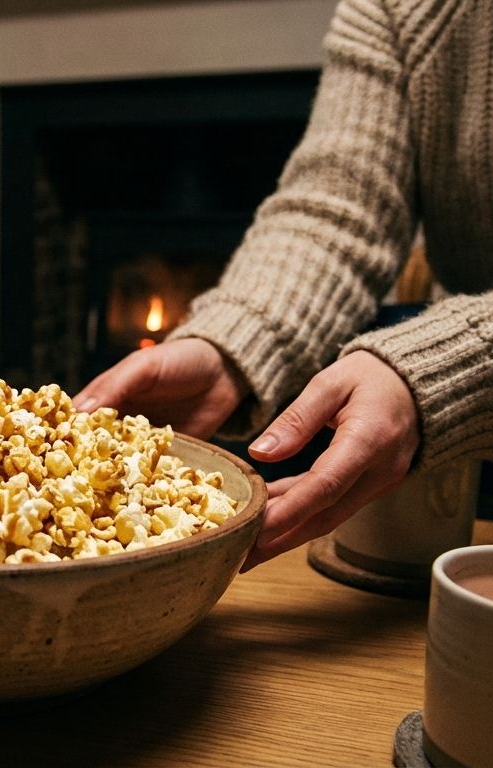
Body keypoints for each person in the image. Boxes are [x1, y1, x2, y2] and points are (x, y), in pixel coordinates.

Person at [74, 0, 493, 571]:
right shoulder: (403, 9)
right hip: (451, 503)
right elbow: (339, 209)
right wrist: (232, 343)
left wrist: (444, 368)